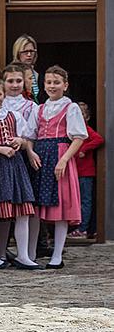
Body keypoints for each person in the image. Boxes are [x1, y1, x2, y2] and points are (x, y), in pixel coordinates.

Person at [27, 65, 87, 269]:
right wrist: (30, 151)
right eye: (49, 82)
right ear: (44, 85)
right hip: (41, 157)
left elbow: (78, 138)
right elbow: (30, 136)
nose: (52, 86)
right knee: (35, 208)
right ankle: (30, 252)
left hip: (60, 155)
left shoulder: (71, 108)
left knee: (61, 206)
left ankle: (57, 255)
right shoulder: (40, 108)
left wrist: (63, 160)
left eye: (56, 82)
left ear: (65, 85)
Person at [0, 76, 41, 270]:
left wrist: (19, 142)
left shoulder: (14, 114)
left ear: (4, 94)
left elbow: (25, 138)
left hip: (15, 166)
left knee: (21, 210)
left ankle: (22, 254)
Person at [71, 102, 104, 238]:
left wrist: (84, 149)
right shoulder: (71, 129)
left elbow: (99, 139)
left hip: (86, 172)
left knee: (85, 200)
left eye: (82, 114)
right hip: (75, 171)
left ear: (87, 117)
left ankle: (83, 229)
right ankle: (77, 227)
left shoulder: (85, 129)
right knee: (75, 200)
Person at [11, 34, 40, 102]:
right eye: (25, 52)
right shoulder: (10, 73)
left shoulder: (38, 75)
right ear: (18, 53)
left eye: (32, 51)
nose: (29, 55)